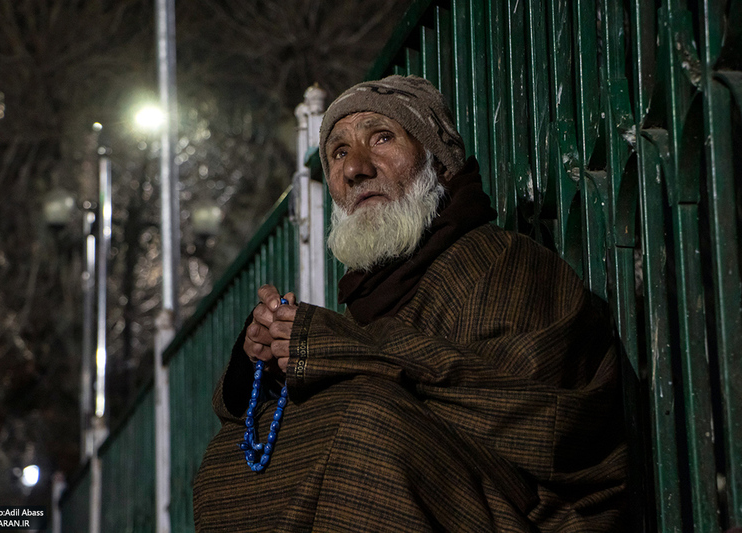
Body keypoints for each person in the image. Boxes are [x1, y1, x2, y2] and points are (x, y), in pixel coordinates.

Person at [193, 75, 627, 532]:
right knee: (231, 460)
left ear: (440, 164)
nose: (356, 167)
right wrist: (267, 364)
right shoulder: (369, 304)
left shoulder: (503, 261)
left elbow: (544, 429)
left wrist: (342, 351)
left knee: (368, 421)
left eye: (381, 138)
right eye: (339, 152)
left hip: (537, 517)